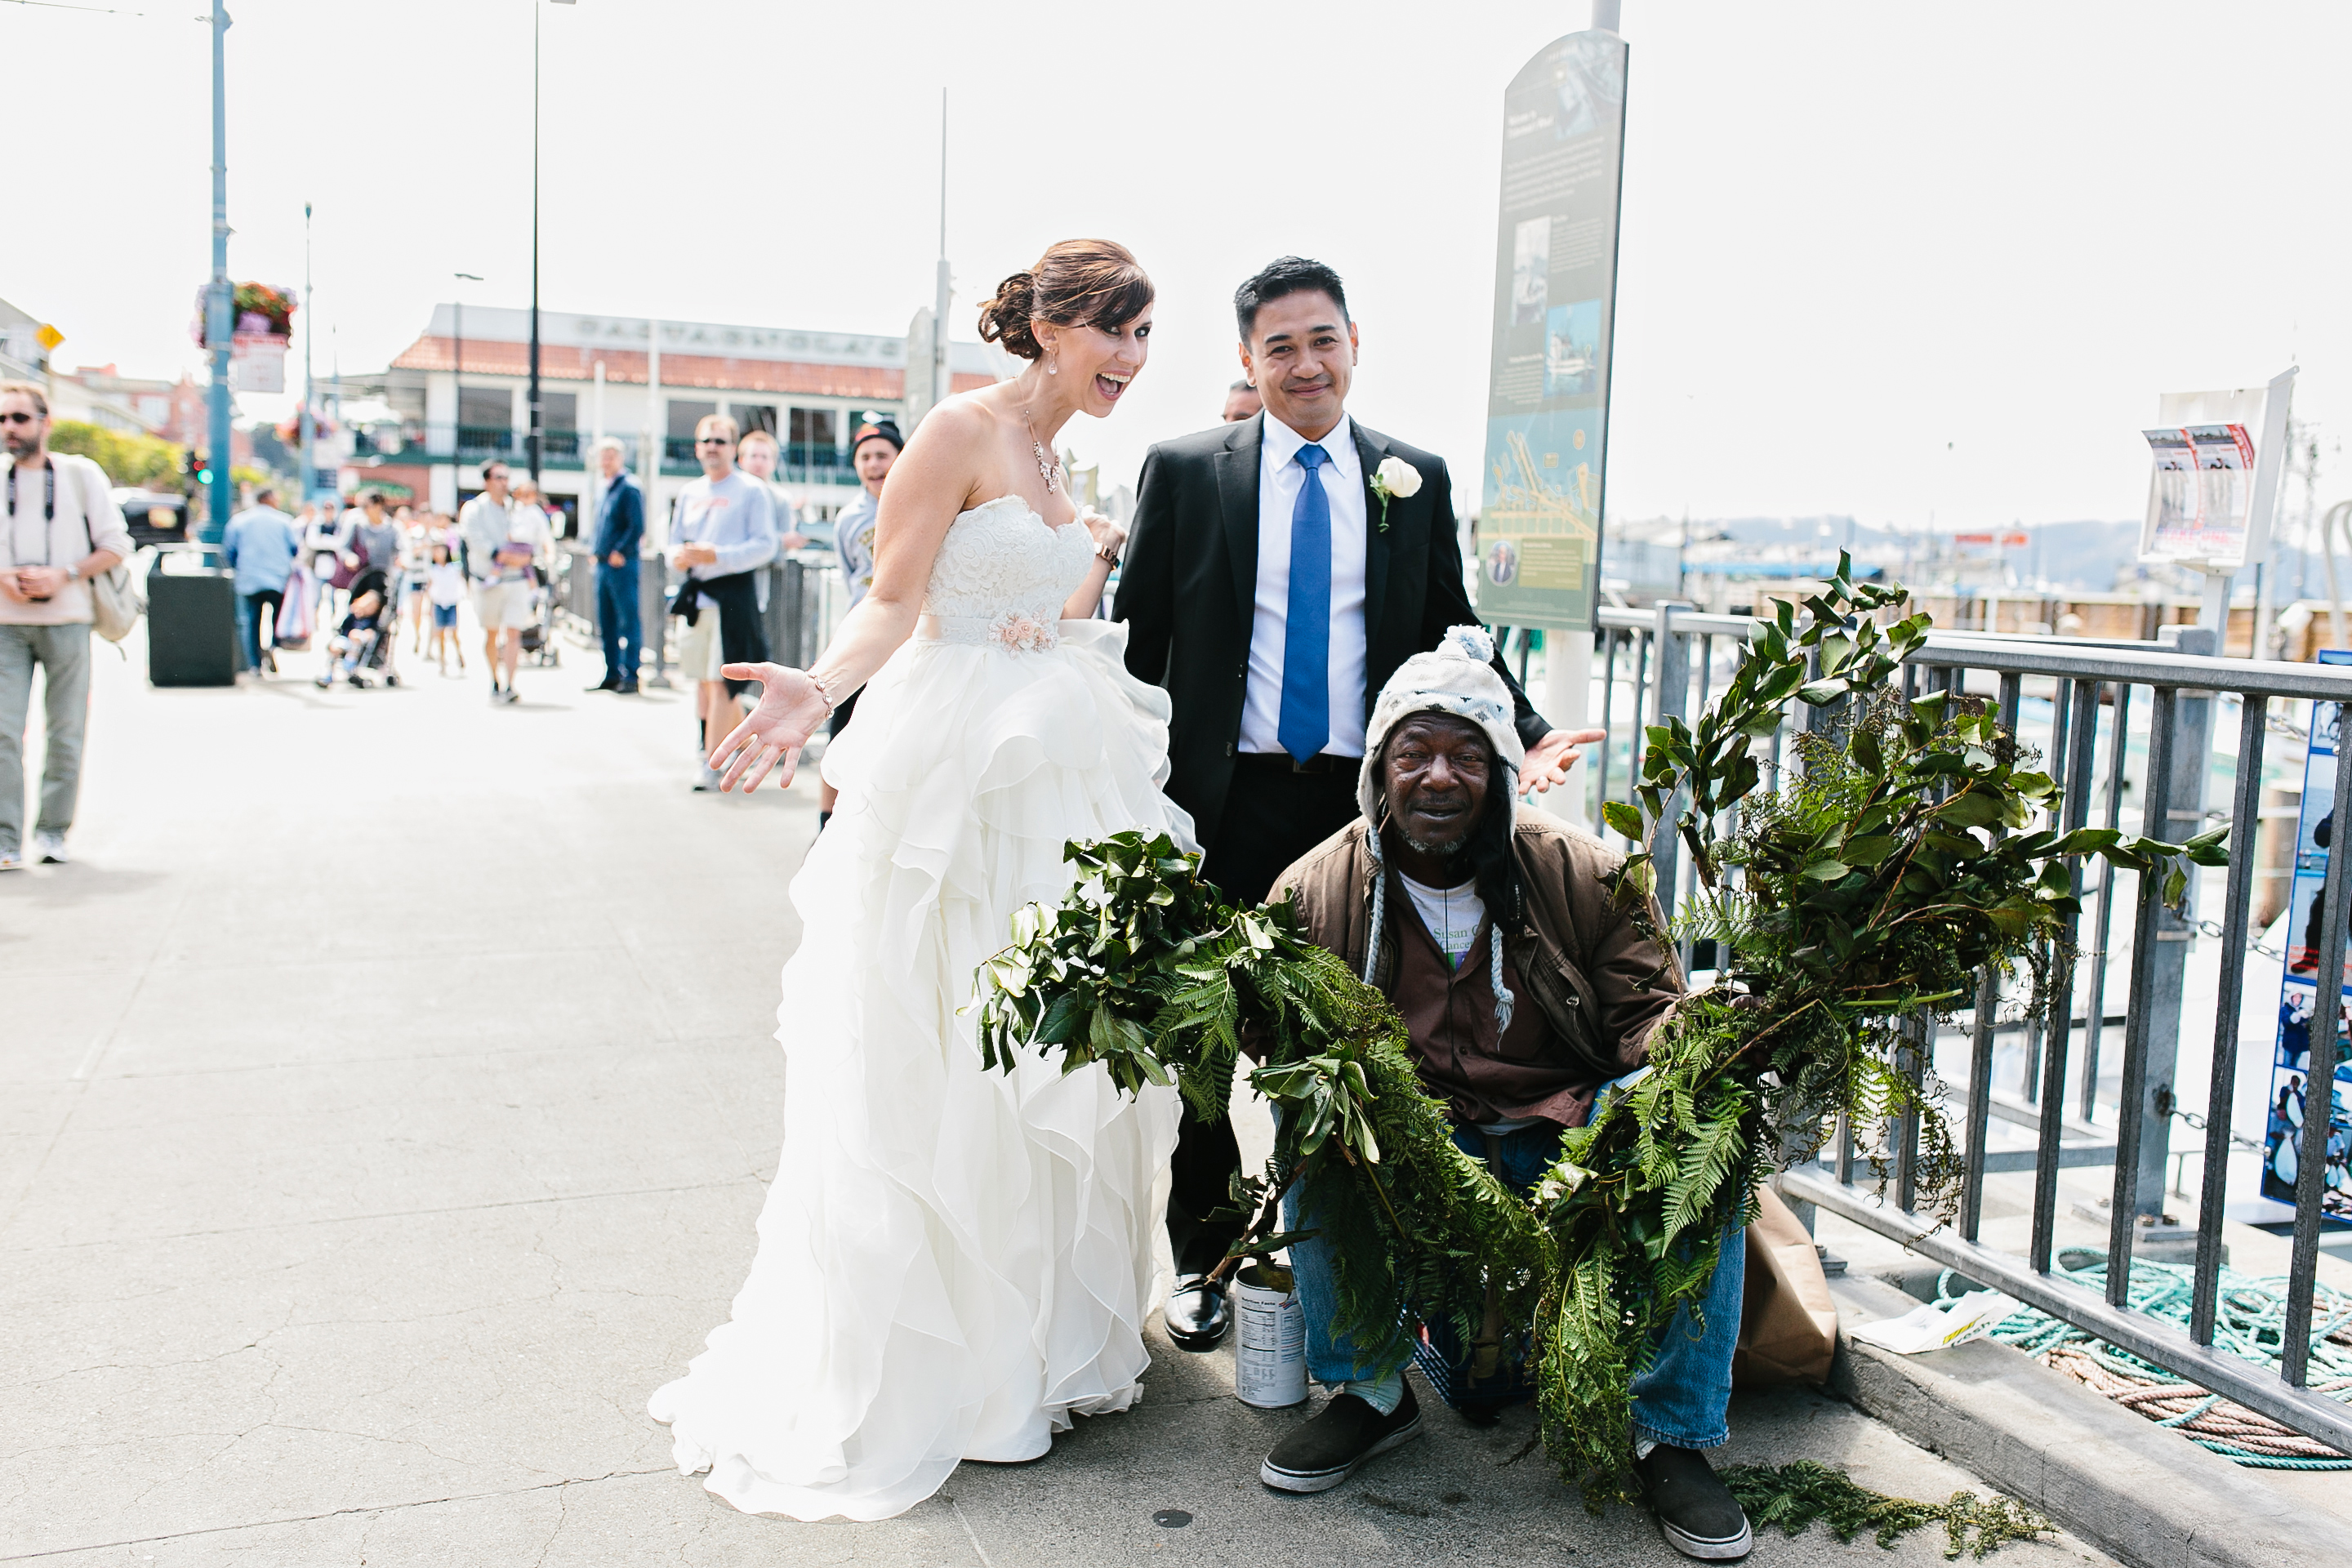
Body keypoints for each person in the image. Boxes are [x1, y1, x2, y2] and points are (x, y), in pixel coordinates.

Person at [649, 238, 1176, 1521]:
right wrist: (813, 691)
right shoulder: (958, 429)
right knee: (949, 1044)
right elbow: (894, 601)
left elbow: (1045, 605)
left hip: (1060, 782)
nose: (1133, 358)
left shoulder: (1058, 460)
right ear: (1050, 327)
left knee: (1051, 1052)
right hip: (960, 779)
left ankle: (1037, 1342)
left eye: (1145, 334)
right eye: (1115, 329)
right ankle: (956, 1366)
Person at [1114, 256, 1607, 1351]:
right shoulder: (1188, 472)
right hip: (1213, 802)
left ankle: (1341, 1265)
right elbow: (1134, 644)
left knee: (1347, 1042)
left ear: (1353, 345)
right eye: (1279, 346)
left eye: (1322, 340)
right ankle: (1203, 1253)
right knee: (1200, 1042)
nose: (1305, 363)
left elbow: (1453, 627)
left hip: (1353, 817)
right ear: (1248, 360)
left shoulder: (1409, 480)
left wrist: (1524, 735)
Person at [1253, 630, 1750, 1561]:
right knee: (1309, 1105)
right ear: (1377, 772)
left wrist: (1701, 1045)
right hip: (1418, 1148)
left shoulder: (1587, 873)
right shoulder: (1313, 891)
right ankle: (1369, 1390)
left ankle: (1673, 1433)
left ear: (1503, 771)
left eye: (1465, 755)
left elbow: (1648, 1013)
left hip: (1563, 1134)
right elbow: (1276, 1037)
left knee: (1702, 1125)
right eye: (1414, 754)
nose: (1439, 777)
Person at [0, 381, 131, 871]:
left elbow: (117, 546)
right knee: (4, 732)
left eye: (19, 418)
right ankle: (5, 839)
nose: (9, 429)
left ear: (44, 422)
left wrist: (65, 574)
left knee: (66, 730)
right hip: (6, 622)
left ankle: (52, 832)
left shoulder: (79, 475)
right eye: (2, 420)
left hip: (68, 620)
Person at [666, 414, 777, 790]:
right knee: (703, 682)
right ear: (697, 447)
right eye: (706, 441)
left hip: (733, 596)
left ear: (733, 448)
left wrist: (719, 556)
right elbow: (672, 543)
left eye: (720, 441)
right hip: (697, 596)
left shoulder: (751, 490)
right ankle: (744, 745)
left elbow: (766, 545)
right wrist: (678, 557)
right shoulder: (690, 492)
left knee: (720, 682)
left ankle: (713, 763)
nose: (713, 447)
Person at [816, 419, 900, 827]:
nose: (874, 464)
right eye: (865, 457)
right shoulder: (848, 518)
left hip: (903, 639)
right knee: (843, 724)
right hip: (859, 634)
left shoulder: (915, 502)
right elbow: (848, 570)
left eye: (882, 455)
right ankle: (826, 820)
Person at [459, 460, 551, 704]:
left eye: (506, 477)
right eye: (498, 477)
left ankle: (510, 684)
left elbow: (534, 536)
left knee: (513, 632)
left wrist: (527, 555)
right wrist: (502, 555)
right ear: (487, 481)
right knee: (491, 633)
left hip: (517, 580)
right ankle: (495, 680)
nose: (504, 483)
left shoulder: (518, 508)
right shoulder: (474, 509)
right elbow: (476, 541)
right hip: (488, 581)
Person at [586, 437, 644, 693]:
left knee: (628, 620)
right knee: (605, 621)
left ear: (620, 458)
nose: (606, 460)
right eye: (603, 456)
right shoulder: (603, 487)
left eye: (611, 455)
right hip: (601, 564)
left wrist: (620, 550)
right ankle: (612, 672)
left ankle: (631, 674)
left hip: (621, 563)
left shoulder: (629, 487)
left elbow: (636, 525)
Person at [223, 486, 300, 677]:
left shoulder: (239, 521)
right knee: (278, 618)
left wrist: (239, 567)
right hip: (278, 578)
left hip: (249, 578)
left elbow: (229, 550)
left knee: (251, 621)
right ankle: (274, 645)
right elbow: (295, 549)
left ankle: (255, 665)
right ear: (268, 498)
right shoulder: (284, 521)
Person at [735, 428, 809, 550]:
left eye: (764, 457)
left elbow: (787, 540)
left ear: (774, 463)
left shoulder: (782, 499)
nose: (759, 462)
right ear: (741, 460)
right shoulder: (730, 494)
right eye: (754, 456)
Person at [425, 540, 466, 674]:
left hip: (452, 603)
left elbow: (461, 583)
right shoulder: (432, 570)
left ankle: (459, 655)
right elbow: (429, 588)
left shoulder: (454, 568)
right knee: (440, 634)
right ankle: (442, 662)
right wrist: (428, 606)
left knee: (454, 633)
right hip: (438, 603)